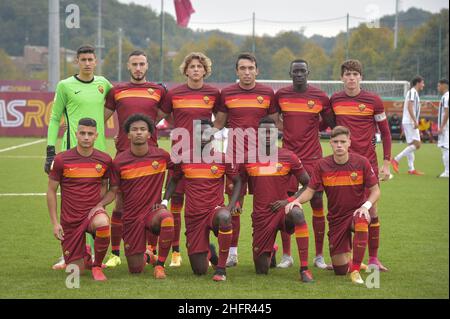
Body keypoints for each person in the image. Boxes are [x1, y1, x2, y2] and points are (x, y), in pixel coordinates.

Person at [45, 45, 113, 270]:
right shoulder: (65, 85)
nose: (86, 63)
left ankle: (94, 254)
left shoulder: (104, 84)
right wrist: (50, 150)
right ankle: (67, 253)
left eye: (90, 59)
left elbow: (116, 104)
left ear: (96, 61)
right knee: (70, 203)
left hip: (99, 153)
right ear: (77, 61)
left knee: (98, 202)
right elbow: (55, 118)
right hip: (71, 153)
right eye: (82, 59)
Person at [286, 126, 381, 284]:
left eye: (343, 142)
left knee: (362, 220)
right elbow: (310, 191)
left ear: (349, 142)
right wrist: (296, 200)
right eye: (336, 141)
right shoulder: (322, 165)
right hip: (336, 219)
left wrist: (365, 206)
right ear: (330, 142)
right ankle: (350, 262)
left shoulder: (362, 162)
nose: (339, 145)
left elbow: (376, 191)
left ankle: (356, 270)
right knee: (340, 270)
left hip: (355, 213)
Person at [103, 50, 168, 268]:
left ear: (147, 66)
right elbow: (102, 117)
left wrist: (143, 130)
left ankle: (150, 249)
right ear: (128, 66)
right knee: (121, 203)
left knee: (152, 203)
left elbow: (159, 116)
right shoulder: (116, 91)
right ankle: (114, 253)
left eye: (142, 64)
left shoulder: (158, 91)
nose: (138, 68)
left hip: (150, 155)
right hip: (123, 154)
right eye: (134, 64)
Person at [214, 52, 279, 267]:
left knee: (266, 206)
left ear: (257, 70)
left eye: (251, 68)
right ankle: (232, 252)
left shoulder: (268, 93)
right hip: (235, 157)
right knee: (235, 206)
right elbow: (219, 123)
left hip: (263, 157)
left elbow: (275, 124)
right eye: (242, 68)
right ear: (237, 71)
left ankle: (270, 247)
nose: (247, 72)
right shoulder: (227, 93)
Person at [91, 114, 174, 278]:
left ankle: (160, 265)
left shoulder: (162, 156)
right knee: (135, 270)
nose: (138, 132)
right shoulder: (119, 162)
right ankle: (147, 256)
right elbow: (113, 190)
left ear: (149, 134)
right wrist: (99, 205)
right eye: (134, 130)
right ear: (128, 135)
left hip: (153, 211)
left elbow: (176, 174)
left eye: (143, 129)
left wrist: (165, 200)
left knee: (167, 218)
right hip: (131, 217)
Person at [158, 52, 221, 267]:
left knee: (204, 204)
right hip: (180, 152)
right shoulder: (175, 93)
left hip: (204, 155)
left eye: (199, 66)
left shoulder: (213, 93)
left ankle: (207, 247)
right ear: (185, 70)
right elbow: (164, 114)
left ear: (205, 70)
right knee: (177, 201)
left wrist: (209, 134)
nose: (195, 70)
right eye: (191, 66)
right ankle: (176, 251)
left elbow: (221, 119)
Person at [273, 59, 334, 270]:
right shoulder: (281, 95)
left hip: (313, 158)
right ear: (290, 73)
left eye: (302, 71)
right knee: (287, 203)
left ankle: (318, 256)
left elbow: (329, 122)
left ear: (308, 72)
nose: (299, 74)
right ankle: (287, 255)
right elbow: (272, 119)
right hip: (288, 159)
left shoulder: (320, 97)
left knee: (317, 201)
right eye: (295, 71)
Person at [330, 59, 390, 271]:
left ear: (361, 77)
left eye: (355, 74)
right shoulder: (335, 100)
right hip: (341, 165)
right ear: (341, 77)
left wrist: (386, 163)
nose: (351, 78)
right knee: (342, 210)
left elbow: (385, 132)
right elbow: (327, 125)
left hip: (367, 165)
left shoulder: (373, 101)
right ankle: (343, 255)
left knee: (371, 210)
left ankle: (373, 258)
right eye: (347, 74)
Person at [163, 119, 242, 281]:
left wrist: (231, 205)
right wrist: (164, 201)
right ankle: (210, 252)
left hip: (214, 210)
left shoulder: (222, 158)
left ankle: (221, 269)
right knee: (199, 270)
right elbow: (173, 180)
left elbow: (238, 181)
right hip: (193, 215)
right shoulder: (184, 158)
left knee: (225, 217)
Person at [243, 117, 313, 282]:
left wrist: (289, 201)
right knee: (261, 270)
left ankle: (304, 269)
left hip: (283, 209)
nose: (267, 134)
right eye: (263, 131)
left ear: (277, 133)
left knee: (297, 214)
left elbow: (308, 184)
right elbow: (239, 183)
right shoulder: (247, 158)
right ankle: (271, 250)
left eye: (271, 131)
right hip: (261, 215)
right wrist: (235, 204)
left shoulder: (288, 157)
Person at [47, 118, 112, 281]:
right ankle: (85, 255)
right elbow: (51, 191)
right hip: (70, 220)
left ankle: (97, 265)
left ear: (96, 136)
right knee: (75, 272)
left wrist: (99, 206)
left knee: (103, 222)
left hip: (92, 214)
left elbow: (105, 186)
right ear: (76, 134)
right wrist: (55, 223)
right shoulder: (62, 159)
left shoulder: (104, 160)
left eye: (90, 134)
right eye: (82, 133)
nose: (86, 137)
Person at [391, 76, 426, 175]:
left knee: (411, 145)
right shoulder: (412, 92)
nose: (423, 85)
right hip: (410, 121)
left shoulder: (414, 93)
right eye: (422, 83)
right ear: (418, 83)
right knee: (417, 145)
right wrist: (415, 121)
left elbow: (408, 108)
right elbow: (410, 107)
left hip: (408, 122)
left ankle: (411, 169)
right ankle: (396, 159)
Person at [437, 79, 449, 178]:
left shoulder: (446, 97)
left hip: (446, 127)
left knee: (445, 147)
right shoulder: (445, 97)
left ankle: (447, 172)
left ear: (444, 85)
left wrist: (442, 127)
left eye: (439, 85)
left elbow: (447, 112)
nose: (438, 87)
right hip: (446, 126)